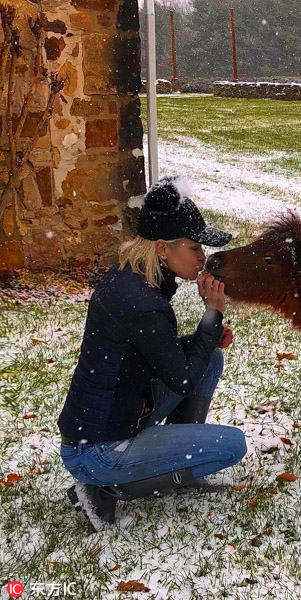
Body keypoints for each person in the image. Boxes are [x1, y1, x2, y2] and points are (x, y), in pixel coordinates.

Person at [57, 176, 246, 531]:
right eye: (194, 248)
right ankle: (104, 491)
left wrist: (206, 340)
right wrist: (212, 314)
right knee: (231, 446)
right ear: (162, 249)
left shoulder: (129, 279)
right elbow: (184, 379)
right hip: (99, 448)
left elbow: (163, 357)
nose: (202, 257)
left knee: (211, 359)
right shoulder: (144, 304)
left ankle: (169, 460)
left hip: (106, 422)